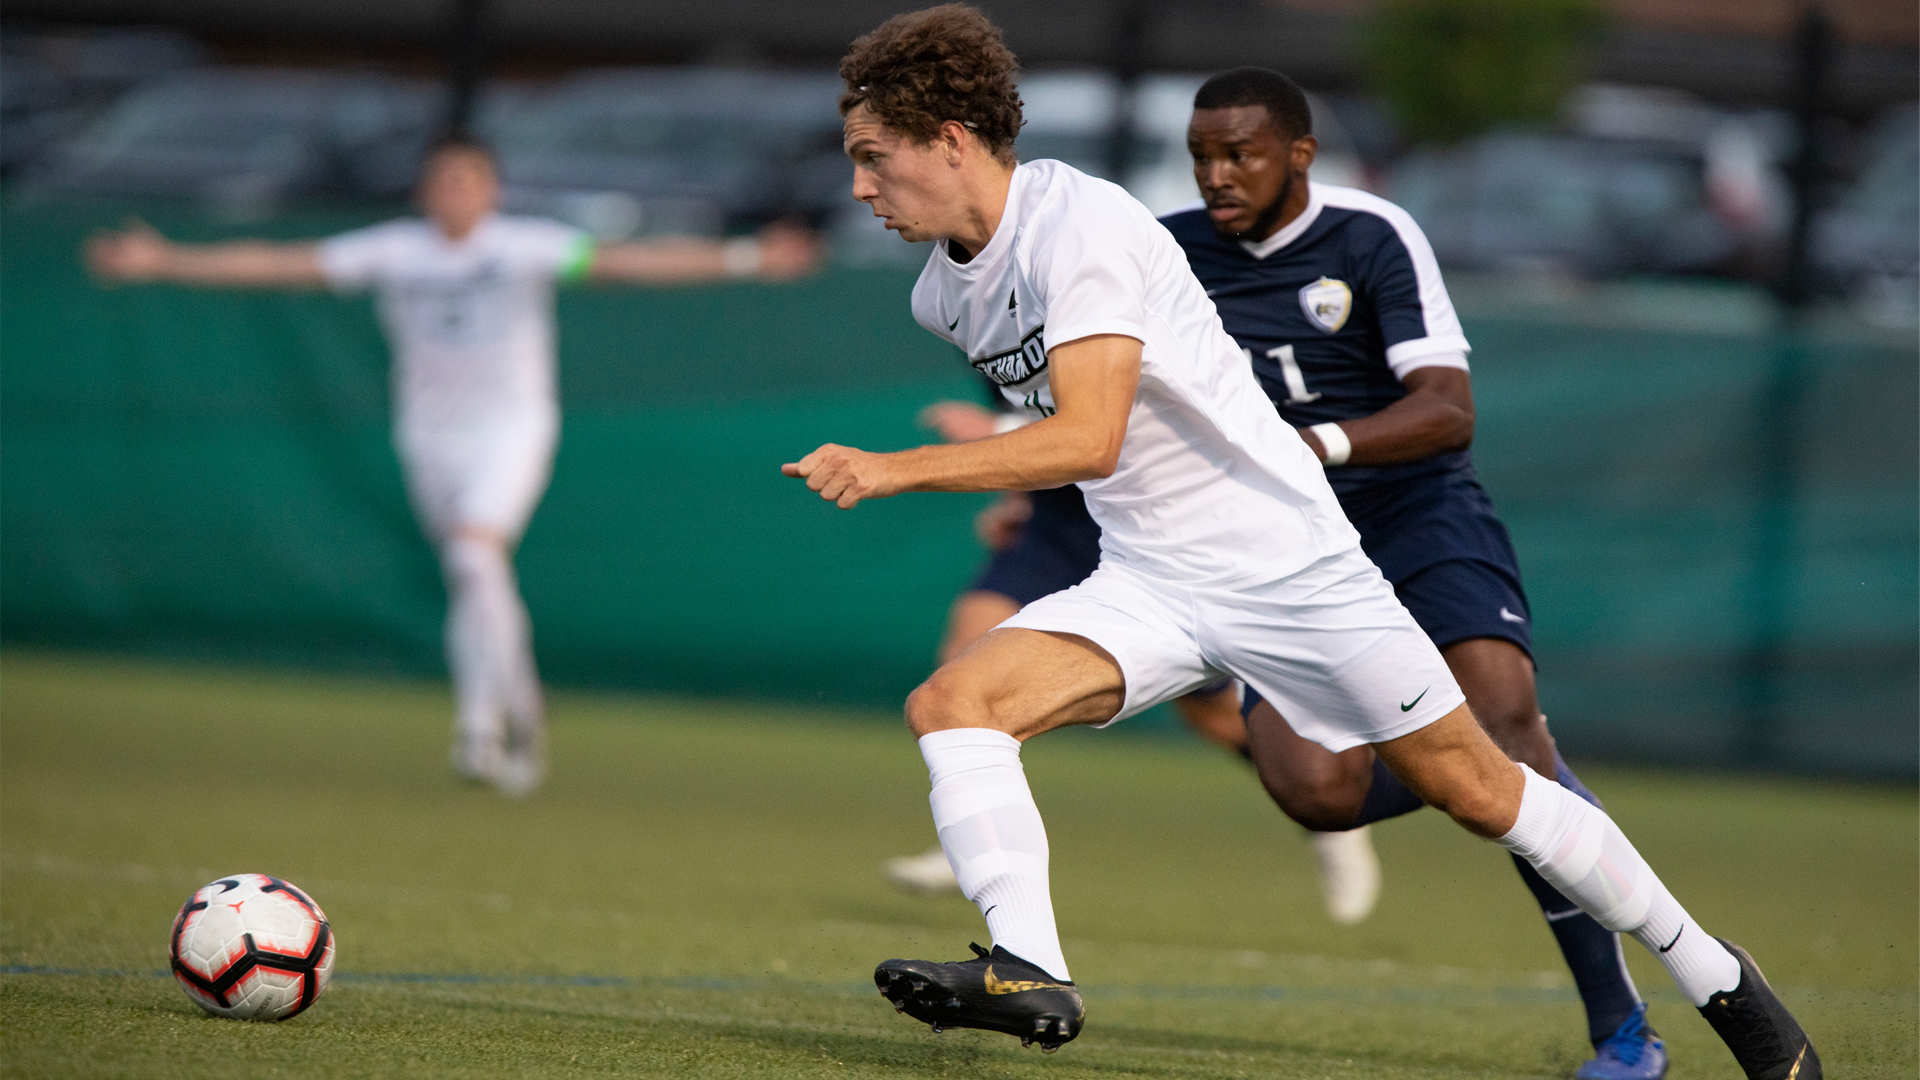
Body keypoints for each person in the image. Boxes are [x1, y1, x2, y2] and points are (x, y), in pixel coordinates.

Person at [784, 7, 1818, 1078]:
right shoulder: (936, 296)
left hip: (1286, 562)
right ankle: (1029, 968)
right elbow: (1095, 435)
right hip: (1147, 576)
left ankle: (1718, 978)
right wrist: (1003, 475)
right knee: (953, 705)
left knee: (1485, 790)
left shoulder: (1077, 222)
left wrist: (896, 468)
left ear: (952, 136)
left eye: (875, 157)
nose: (862, 187)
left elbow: (1086, 436)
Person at [1163, 67, 1666, 1079]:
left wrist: (1323, 446)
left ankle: (1623, 1030)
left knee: (1504, 718)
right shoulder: (1168, 253)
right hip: (1280, 549)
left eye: (1242, 154)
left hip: (1413, 512)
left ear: (1299, 154)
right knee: (1317, 793)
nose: (1218, 175)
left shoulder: (1373, 235)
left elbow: (1447, 408)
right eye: (1203, 156)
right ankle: (1502, 780)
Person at [88, 134, 821, 798]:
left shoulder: (524, 245)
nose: (456, 193)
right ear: (423, 192)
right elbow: (281, 262)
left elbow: (633, 262)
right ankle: (523, 705)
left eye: (470, 180)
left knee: (475, 557)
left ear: (492, 190)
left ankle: (480, 727)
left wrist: (747, 255)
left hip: (511, 429)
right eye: (443, 181)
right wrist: (163, 260)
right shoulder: (397, 251)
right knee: (470, 574)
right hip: (429, 437)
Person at [885, 394, 1382, 926]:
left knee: (1215, 717)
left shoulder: (1124, 314)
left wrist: (998, 428)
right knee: (958, 681)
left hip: (1147, 538)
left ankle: (1331, 816)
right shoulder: (984, 319)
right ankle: (976, 841)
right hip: (1055, 533)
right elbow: (1041, 426)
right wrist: (1019, 498)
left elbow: (1116, 419)